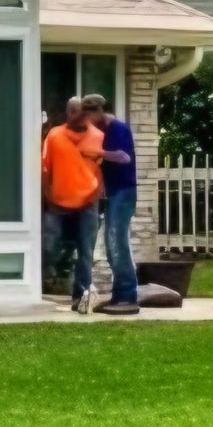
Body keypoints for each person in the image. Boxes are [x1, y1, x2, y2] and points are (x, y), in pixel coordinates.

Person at [41, 96, 104, 312]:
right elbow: (44, 169)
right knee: (47, 247)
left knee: (86, 252)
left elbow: (104, 171)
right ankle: (39, 288)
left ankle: (81, 297)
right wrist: (48, 196)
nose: (76, 115)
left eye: (80, 111)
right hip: (58, 205)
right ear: (67, 113)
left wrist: (95, 194)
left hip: (88, 204)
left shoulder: (99, 137)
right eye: (72, 111)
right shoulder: (55, 135)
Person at [82, 93, 140, 315]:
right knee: (111, 243)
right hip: (113, 193)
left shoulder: (118, 129)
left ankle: (127, 297)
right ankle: (120, 296)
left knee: (117, 243)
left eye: (89, 114)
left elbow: (124, 158)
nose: (87, 119)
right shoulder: (103, 131)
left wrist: (98, 153)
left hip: (124, 193)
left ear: (99, 110)